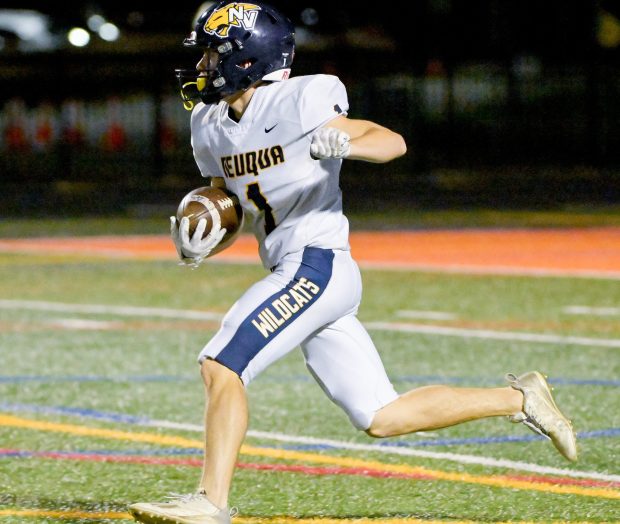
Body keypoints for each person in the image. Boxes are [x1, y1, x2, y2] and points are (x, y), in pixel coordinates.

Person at [129, 2, 577, 523]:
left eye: (212, 53)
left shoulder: (301, 99)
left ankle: (210, 502)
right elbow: (228, 203)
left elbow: (392, 142)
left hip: (316, 265)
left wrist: (347, 141)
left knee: (222, 364)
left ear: (247, 60)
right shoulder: (208, 124)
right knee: (382, 416)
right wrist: (201, 236)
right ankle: (521, 399)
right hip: (293, 269)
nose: (203, 65)